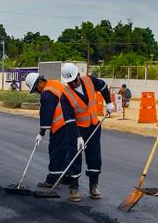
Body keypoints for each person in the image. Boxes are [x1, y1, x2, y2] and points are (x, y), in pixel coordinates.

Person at [59, 63, 114, 200]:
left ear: (78, 74)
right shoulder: (65, 95)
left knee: (94, 156)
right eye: (69, 82)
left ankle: (93, 186)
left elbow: (103, 86)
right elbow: (69, 119)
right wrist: (78, 137)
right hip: (75, 130)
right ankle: (74, 188)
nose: (73, 84)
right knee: (74, 158)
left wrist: (109, 102)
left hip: (94, 126)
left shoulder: (89, 80)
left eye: (74, 80)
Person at [24, 70, 82, 201]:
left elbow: (47, 114)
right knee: (67, 151)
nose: (37, 91)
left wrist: (41, 133)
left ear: (40, 83)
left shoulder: (47, 94)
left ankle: (52, 179)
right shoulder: (55, 84)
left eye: (36, 89)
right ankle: (66, 177)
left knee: (56, 151)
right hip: (71, 122)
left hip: (61, 124)